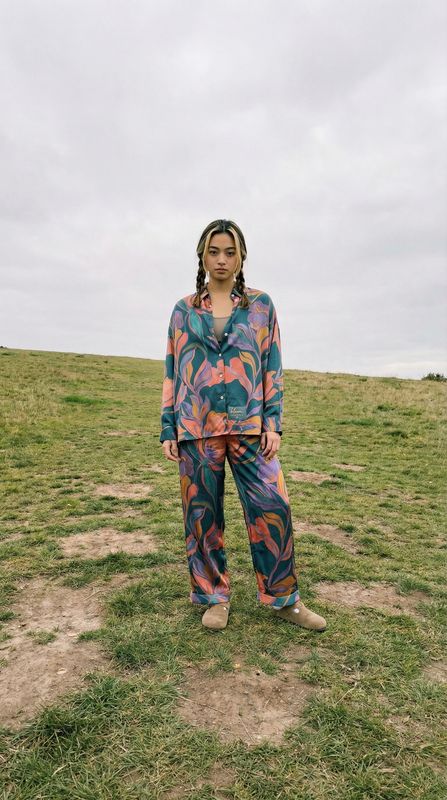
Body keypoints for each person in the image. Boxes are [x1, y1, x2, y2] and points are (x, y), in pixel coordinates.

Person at [160, 219, 327, 633]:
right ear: (202, 255)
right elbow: (172, 369)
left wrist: (274, 423)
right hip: (196, 426)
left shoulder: (261, 306)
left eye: (229, 252)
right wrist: (169, 428)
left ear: (241, 257)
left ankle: (284, 600)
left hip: (251, 425)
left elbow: (273, 365)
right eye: (214, 251)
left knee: (273, 507)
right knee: (202, 517)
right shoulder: (183, 310)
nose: (221, 260)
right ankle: (214, 597)